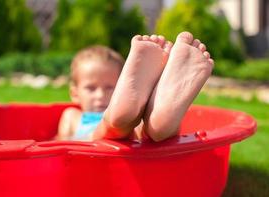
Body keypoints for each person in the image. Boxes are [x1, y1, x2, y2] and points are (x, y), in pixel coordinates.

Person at [57, 32, 214, 142]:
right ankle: (156, 122)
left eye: (110, 88)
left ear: (122, 88)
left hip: (119, 148)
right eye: (91, 88)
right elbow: (62, 146)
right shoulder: (71, 115)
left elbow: (56, 146)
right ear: (74, 93)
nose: (100, 95)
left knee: (139, 128)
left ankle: (159, 120)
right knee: (114, 128)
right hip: (98, 142)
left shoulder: (72, 117)